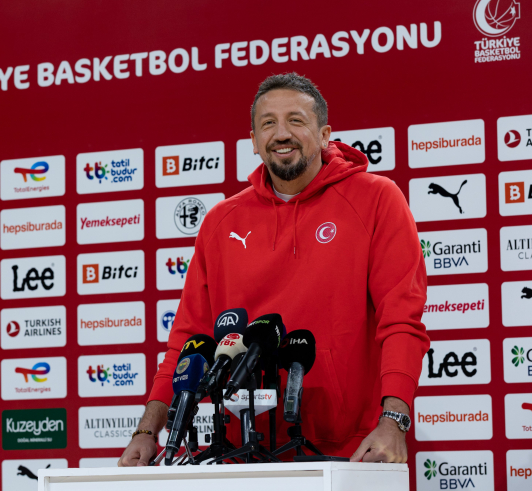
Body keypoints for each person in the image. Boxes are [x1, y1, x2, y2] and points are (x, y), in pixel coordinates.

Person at [119, 73, 429, 466]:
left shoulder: (376, 199)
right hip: (238, 452)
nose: (281, 134)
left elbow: (401, 321)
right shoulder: (220, 221)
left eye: (296, 120)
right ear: (253, 140)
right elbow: (188, 340)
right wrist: (147, 431)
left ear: (325, 135)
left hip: (351, 450)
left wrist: (394, 421)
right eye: (268, 123)